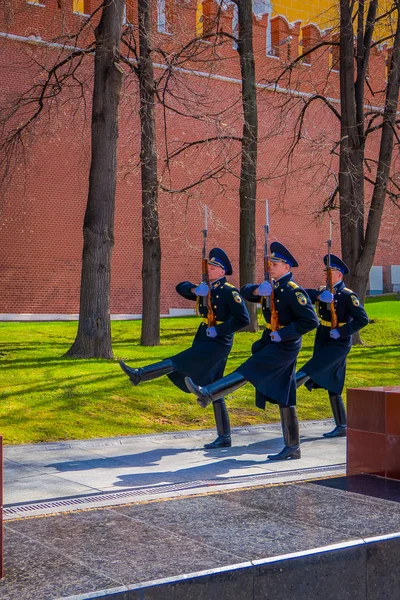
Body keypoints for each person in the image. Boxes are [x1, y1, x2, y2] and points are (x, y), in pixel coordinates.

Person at [185, 242, 319, 461]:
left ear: (286, 267)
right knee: (286, 395)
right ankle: (293, 447)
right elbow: (245, 291)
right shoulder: (272, 287)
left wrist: (283, 335)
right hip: (272, 342)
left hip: (285, 345)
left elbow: (310, 320)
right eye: (270, 263)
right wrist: (258, 290)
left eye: (275, 264)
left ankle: (209, 392)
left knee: (249, 369)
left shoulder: (293, 291)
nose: (271, 267)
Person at [120, 248, 250, 449]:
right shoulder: (206, 289)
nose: (209, 269)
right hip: (203, 338)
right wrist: (194, 291)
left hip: (218, 342)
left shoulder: (229, 292)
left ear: (222, 272)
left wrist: (220, 330)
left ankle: (140, 374)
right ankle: (224, 437)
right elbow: (180, 287)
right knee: (215, 387)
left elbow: (243, 319)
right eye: (209, 266)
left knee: (179, 360)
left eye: (214, 267)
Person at [296, 254, 369, 437]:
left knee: (314, 367)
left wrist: (343, 332)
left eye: (331, 273)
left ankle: (290, 384)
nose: (327, 276)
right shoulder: (323, 291)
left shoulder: (347, 295)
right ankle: (342, 425)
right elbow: (305, 294)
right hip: (323, 337)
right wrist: (320, 295)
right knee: (334, 381)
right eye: (326, 273)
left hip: (339, 341)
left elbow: (363, 319)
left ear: (339, 275)